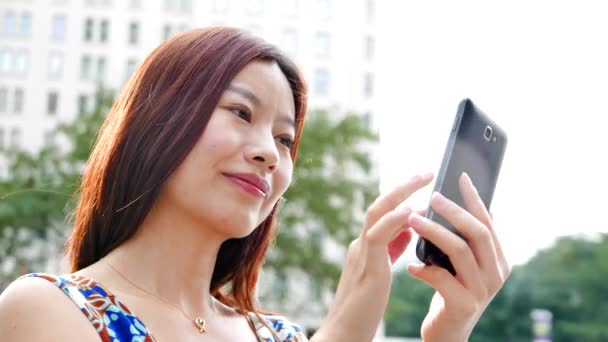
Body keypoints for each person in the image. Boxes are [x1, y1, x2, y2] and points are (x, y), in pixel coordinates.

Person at [0, 27, 510, 341]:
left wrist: (448, 334)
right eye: (241, 112)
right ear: (155, 121)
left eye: (286, 140)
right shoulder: (47, 312)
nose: (270, 152)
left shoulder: (280, 336)